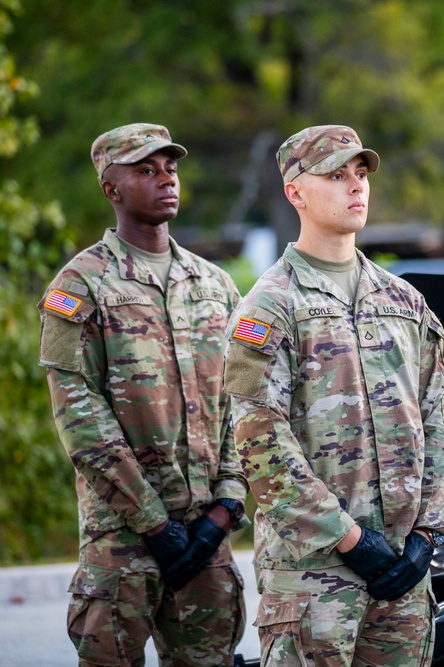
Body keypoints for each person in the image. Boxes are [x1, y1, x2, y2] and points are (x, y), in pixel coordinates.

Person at [223, 125, 444, 666]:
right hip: (315, 576)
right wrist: (349, 539)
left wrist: (427, 532)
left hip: (403, 569)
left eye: (360, 173)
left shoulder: (404, 301)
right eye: (335, 175)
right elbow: (260, 443)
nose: (356, 186)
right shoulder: (270, 306)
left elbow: (437, 418)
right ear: (295, 192)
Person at [38, 122, 249, 666]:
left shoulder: (215, 285)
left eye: (171, 168)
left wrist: (227, 505)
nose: (166, 180)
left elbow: (243, 403)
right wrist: (154, 523)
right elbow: (81, 419)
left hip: (207, 537)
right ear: (112, 189)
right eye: (146, 170)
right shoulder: (80, 285)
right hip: (124, 544)